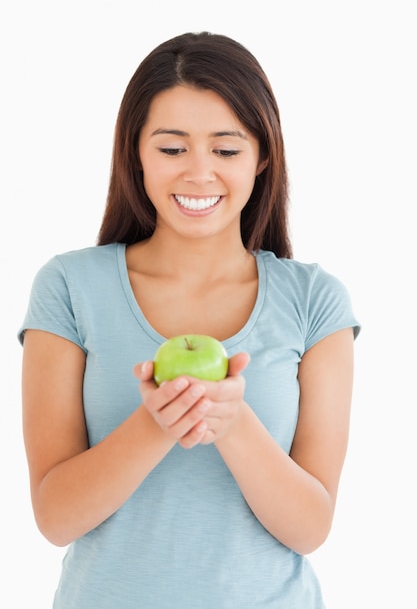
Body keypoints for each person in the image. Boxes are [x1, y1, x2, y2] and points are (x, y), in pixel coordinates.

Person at [18, 31, 360, 608]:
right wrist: (157, 424)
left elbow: (310, 528)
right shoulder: (69, 286)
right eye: (172, 149)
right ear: (136, 153)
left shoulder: (315, 301)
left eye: (226, 150)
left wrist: (232, 421)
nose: (199, 174)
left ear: (262, 156)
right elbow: (55, 519)